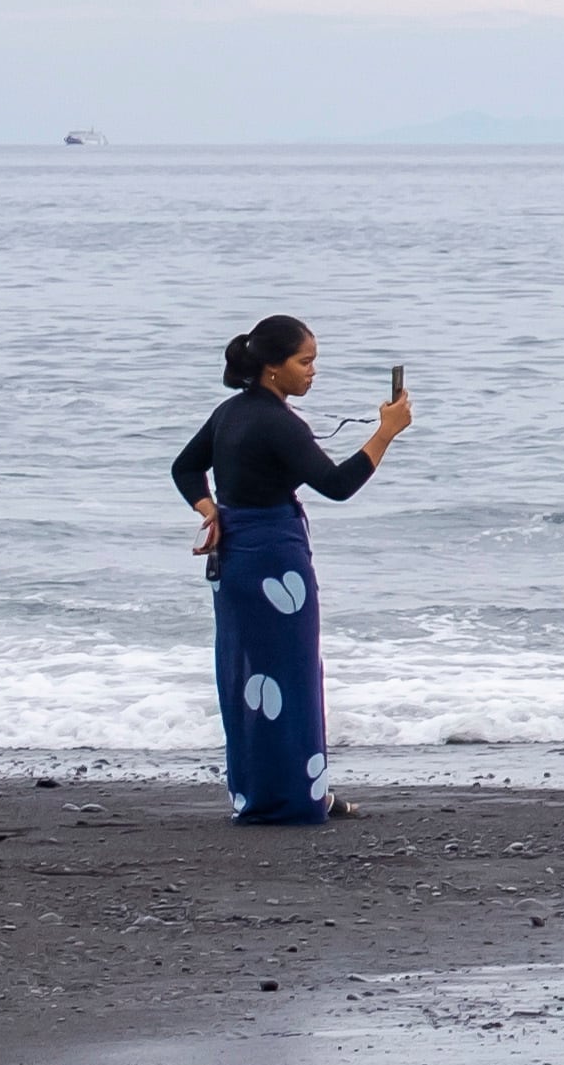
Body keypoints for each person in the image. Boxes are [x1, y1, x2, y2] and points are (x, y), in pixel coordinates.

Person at [171, 317, 413, 825]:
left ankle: (260, 794)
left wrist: (209, 510)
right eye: (304, 362)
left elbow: (186, 468)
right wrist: (386, 432)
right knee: (293, 674)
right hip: (275, 560)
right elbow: (337, 485)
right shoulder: (278, 423)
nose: (313, 372)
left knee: (250, 680)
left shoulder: (230, 413)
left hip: (236, 562)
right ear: (271, 368)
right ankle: (298, 797)